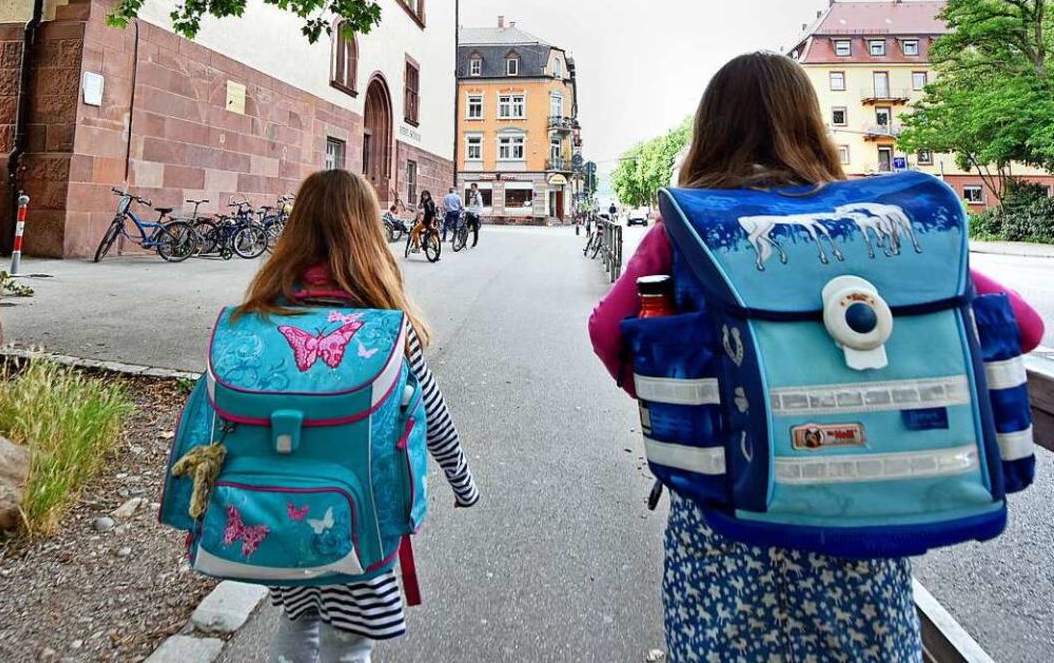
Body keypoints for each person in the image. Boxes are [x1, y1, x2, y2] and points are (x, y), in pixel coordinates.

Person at [587, 52, 1045, 663]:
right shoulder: (872, 225)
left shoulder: (689, 229)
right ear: (810, 125)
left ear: (709, 130)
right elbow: (1023, 325)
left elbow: (608, 331)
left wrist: (695, 394)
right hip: (857, 517)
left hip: (729, 513)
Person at [238, 170, 480, 662]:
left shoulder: (267, 312)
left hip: (280, 505)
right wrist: (463, 482)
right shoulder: (385, 327)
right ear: (367, 230)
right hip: (360, 514)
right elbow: (431, 410)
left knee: (297, 619)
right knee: (348, 642)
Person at [465, 183, 484, 248]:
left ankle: (474, 242)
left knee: (475, 229)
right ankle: (463, 241)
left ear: (476, 188)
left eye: (473, 187)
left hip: (476, 214)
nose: (471, 189)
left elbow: (480, 205)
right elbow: (471, 204)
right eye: (471, 187)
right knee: (466, 227)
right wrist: (468, 210)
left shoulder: (478, 195)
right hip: (470, 213)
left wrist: (478, 214)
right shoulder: (471, 194)